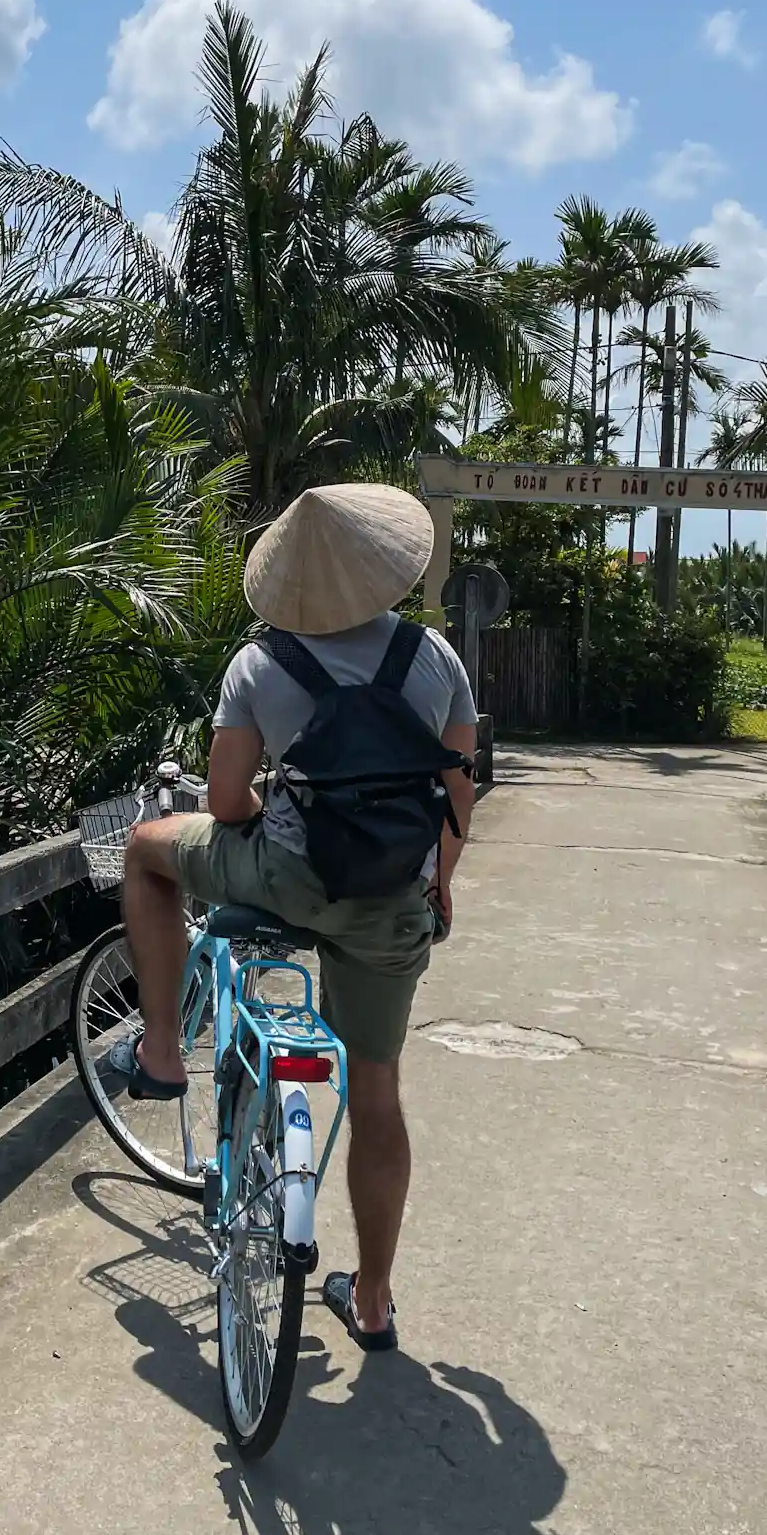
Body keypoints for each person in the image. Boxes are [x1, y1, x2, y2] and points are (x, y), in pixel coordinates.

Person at [116, 482, 477, 1350]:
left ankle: (162, 1050)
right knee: (379, 1090)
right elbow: (458, 794)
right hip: (390, 898)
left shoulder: (260, 667)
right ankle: (375, 1299)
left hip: (284, 877)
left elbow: (233, 801)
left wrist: (260, 818)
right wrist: (440, 881)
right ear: (383, 567)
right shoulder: (433, 660)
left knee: (141, 848)